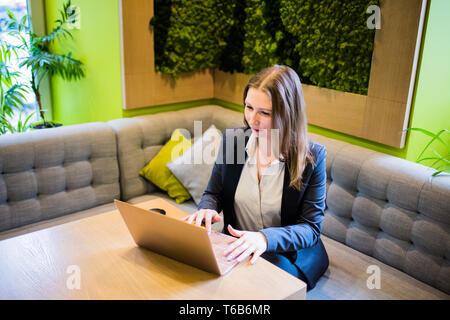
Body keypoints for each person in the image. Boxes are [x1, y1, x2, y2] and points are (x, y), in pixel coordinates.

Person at [183, 65, 329, 290]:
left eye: (265, 112)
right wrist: (207, 209)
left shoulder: (312, 158)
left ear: (288, 113)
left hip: (285, 256)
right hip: (236, 249)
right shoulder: (233, 141)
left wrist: (264, 238)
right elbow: (214, 193)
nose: (253, 119)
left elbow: (310, 228)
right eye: (248, 107)